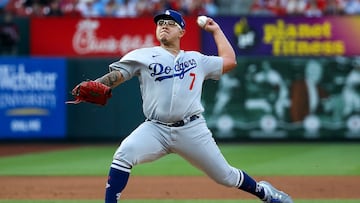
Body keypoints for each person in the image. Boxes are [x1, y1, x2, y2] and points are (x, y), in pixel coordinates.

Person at [90, 9, 293, 203]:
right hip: (155, 128)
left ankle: (265, 193)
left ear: (182, 31)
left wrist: (216, 30)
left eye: (170, 24)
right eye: (160, 23)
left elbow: (230, 61)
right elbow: (117, 75)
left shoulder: (196, 59)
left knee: (226, 176)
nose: (164, 26)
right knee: (123, 154)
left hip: (191, 129)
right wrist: (98, 83)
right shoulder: (143, 56)